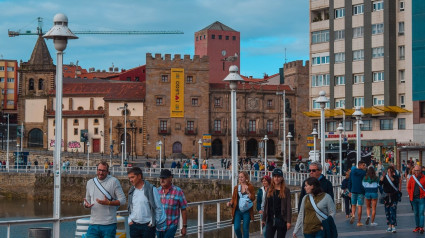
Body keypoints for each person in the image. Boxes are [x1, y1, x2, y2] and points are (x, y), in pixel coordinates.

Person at [83, 161, 126, 238]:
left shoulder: (114, 181)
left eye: (103, 171)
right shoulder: (90, 182)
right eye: (99, 170)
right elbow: (87, 200)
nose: (101, 172)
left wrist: (109, 203)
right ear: (96, 170)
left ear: (108, 172)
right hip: (93, 224)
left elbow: (123, 200)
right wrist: (86, 205)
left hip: (109, 224)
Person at [127, 167, 165, 238]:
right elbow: (130, 207)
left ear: (139, 176)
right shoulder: (132, 190)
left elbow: (158, 208)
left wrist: (152, 222)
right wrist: (129, 220)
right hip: (134, 226)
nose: (130, 180)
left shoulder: (151, 189)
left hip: (147, 227)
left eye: (132, 177)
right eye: (129, 178)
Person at [157, 169, 188, 238]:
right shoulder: (157, 191)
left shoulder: (178, 191)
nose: (162, 180)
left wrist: (184, 226)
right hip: (159, 227)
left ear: (170, 178)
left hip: (171, 225)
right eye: (161, 178)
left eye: (164, 178)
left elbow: (183, 209)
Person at [262, 169, 291, 238]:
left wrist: (288, 221)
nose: (276, 178)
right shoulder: (269, 189)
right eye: (275, 176)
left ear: (282, 178)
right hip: (270, 219)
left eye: (278, 177)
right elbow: (266, 205)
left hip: (281, 219)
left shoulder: (286, 190)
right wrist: (263, 219)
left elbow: (288, 206)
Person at [227, 171, 255, 238]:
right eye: (239, 177)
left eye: (242, 177)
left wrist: (248, 192)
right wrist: (230, 203)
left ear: (246, 177)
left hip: (247, 211)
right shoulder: (236, 187)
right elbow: (234, 198)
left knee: (245, 229)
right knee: (236, 228)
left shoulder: (250, 187)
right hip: (237, 211)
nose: (240, 178)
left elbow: (253, 198)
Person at [379, 165, 400, 233]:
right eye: (388, 172)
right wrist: (382, 177)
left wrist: (391, 176)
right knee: (387, 212)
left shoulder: (395, 177)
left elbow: (396, 183)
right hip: (386, 197)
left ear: (393, 172)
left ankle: (393, 226)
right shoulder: (385, 178)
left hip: (393, 197)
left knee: (393, 211)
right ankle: (389, 226)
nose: (389, 173)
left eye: (390, 171)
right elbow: (380, 183)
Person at [407, 165, 425, 233]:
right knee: (416, 213)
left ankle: (421, 227)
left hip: (421, 198)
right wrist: (410, 194)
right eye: (415, 170)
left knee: (421, 213)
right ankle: (417, 226)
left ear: (421, 171)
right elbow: (409, 187)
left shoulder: (424, 177)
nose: (416, 172)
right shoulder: (412, 177)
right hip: (413, 199)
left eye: (418, 170)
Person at [348, 160, 367, 226]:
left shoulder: (352, 172)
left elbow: (349, 182)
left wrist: (350, 191)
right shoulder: (363, 173)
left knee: (353, 205)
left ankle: (353, 215)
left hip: (353, 190)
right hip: (361, 191)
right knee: (360, 206)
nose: (364, 166)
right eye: (363, 165)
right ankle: (359, 221)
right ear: (360, 165)